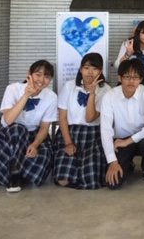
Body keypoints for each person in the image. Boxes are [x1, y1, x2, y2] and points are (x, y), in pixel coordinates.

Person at [0, 60, 58, 193]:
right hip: (10, 134)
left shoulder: (51, 97)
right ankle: (14, 173)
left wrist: (35, 145)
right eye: (38, 74)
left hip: (34, 134)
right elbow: (8, 120)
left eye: (47, 76)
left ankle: (23, 172)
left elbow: (45, 127)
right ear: (29, 74)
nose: (41, 80)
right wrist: (26, 95)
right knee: (18, 129)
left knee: (43, 158)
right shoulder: (13, 89)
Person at [99, 58, 144, 189]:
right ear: (120, 78)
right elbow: (105, 130)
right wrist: (112, 161)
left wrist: (128, 141)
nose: (131, 81)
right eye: (127, 77)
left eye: (135, 77)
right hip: (120, 141)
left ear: (141, 79)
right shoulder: (109, 97)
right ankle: (128, 163)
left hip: (142, 139)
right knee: (113, 183)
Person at [54, 52, 112, 189]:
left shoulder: (107, 90)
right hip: (70, 132)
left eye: (94, 68)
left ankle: (80, 171)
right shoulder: (69, 86)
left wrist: (92, 94)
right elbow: (62, 117)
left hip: (93, 135)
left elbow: (90, 118)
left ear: (100, 71)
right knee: (63, 181)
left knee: (90, 180)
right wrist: (68, 143)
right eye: (86, 68)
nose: (90, 72)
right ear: (80, 69)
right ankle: (75, 170)